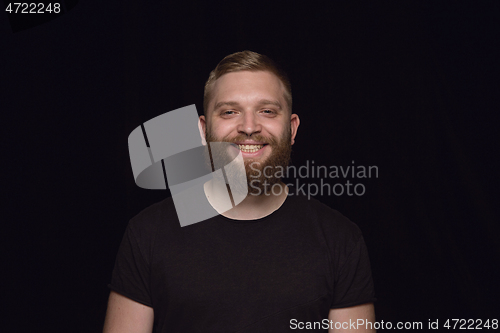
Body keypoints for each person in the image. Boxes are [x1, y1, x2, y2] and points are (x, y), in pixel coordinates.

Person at [103, 51, 376, 332]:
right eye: (230, 112)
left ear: (292, 129)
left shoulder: (340, 239)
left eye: (267, 111)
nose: (248, 127)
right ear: (204, 129)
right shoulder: (147, 233)